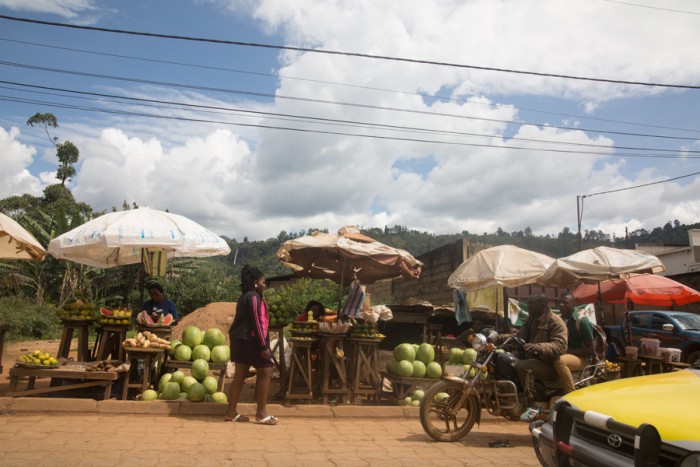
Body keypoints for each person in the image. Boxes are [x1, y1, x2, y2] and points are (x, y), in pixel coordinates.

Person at [224, 265, 278, 425]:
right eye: (263, 282)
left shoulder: (245, 296)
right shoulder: (254, 297)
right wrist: (263, 346)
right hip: (250, 341)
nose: (265, 285)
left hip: (239, 341)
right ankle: (261, 413)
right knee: (266, 371)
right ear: (255, 282)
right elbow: (256, 322)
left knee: (240, 374)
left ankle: (231, 412)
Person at [515, 293, 568, 421]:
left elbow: (561, 346)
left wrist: (538, 347)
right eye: (528, 304)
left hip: (547, 364)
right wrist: (500, 337)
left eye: (532, 304)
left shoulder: (555, 321)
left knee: (522, 366)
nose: (528, 307)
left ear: (543, 305)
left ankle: (531, 404)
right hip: (533, 360)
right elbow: (519, 335)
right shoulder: (530, 319)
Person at [554, 292, 595, 394]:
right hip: (566, 354)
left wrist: (567, 352)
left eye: (565, 302)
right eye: (559, 302)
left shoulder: (581, 321)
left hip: (582, 360)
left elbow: (591, 350)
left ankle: (571, 393)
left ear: (573, 304)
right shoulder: (558, 320)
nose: (561, 305)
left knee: (559, 361)